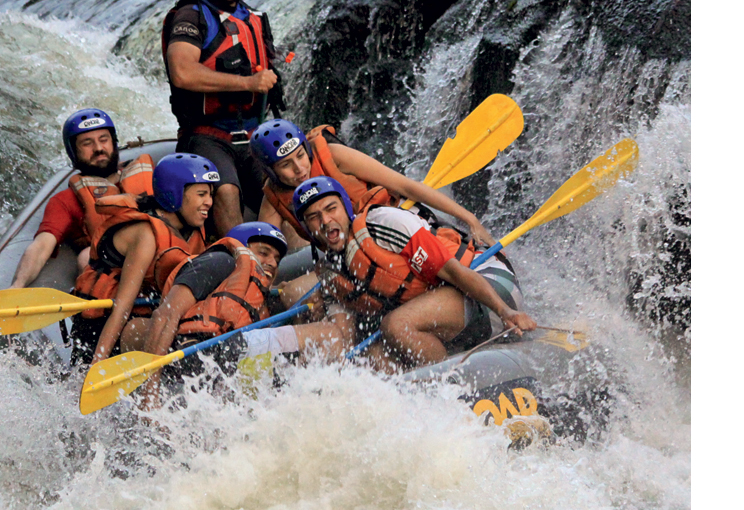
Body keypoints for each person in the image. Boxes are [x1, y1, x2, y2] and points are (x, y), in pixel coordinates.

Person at [292, 176, 537, 369]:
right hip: (451, 313)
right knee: (376, 357)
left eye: (331, 208)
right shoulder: (329, 272)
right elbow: (344, 337)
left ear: (346, 208)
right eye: (314, 217)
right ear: (307, 228)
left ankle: (450, 392)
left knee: (397, 325)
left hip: (489, 284)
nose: (325, 221)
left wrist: (505, 311)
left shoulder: (384, 223)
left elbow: (453, 272)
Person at [130, 221, 346, 407]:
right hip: (203, 353)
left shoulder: (261, 297)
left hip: (223, 362)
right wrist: (149, 395)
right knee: (330, 333)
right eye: (263, 253)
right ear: (242, 247)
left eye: (277, 259)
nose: (271, 262)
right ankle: (329, 408)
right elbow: (165, 316)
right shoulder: (220, 261)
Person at [162, 0, 285, 236]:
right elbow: (182, 72)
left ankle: (300, 265)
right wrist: (247, 83)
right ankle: (240, 266)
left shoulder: (255, 17)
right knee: (226, 191)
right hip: (206, 135)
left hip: (253, 135)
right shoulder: (191, 17)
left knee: (285, 191)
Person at [249, 118, 495, 249]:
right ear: (271, 171)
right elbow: (263, 250)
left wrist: (470, 218)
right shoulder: (274, 196)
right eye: (286, 165)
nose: (300, 169)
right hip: (353, 252)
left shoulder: (334, 155)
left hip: (402, 224)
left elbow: (407, 187)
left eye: (301, 156)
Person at [70, 153, 216, 365]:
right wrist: (97, 366)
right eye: (201, 194)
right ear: (174, 193)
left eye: (210, 195)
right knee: (169, 333)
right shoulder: (146, 234)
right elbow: (122, 306)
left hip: (145, 315)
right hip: (101, 325)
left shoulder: (191, 233)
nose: (209, 202)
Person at [10, 108, 153, 289]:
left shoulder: (150, 176)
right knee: (86, 256)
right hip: (118, 272)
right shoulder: (66, 201)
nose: (99, 148)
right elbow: (41, 247)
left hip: (162, 257)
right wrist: (17, 285)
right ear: (73, 152)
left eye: (104, 140)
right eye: (87, 143)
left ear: (114, 142)